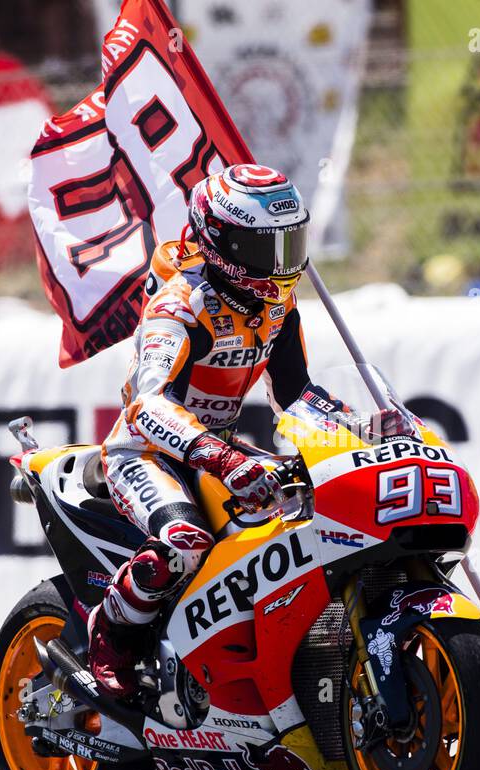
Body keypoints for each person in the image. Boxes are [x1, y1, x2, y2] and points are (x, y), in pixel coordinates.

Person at [87, 163, 315, 698]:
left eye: (291, 243)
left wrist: (365, 427)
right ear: (222, 245)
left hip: (220, 448)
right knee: (185, 542)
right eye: (267, 250)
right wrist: (225, 460)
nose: (282, 265)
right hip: (144, 452)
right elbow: (147, 405)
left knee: (297, 526)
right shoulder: (178, 307)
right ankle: (111, 634)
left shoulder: (280, 304)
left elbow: (297, 395)